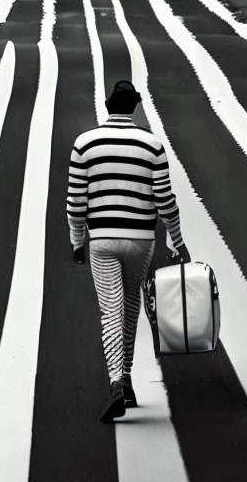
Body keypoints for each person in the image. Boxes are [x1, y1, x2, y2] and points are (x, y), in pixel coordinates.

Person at [67, 80, 190, 423]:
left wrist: (78, 240)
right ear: (134, 107)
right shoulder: (152, 146)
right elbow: (165, 200)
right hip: (141, 240)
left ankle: (116, 382)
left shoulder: (84, 144)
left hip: (102, 240)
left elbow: (76, 202)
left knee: (111, 310)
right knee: (131, 308)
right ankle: (129, 379)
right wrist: (177, 240)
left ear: (108, 106)